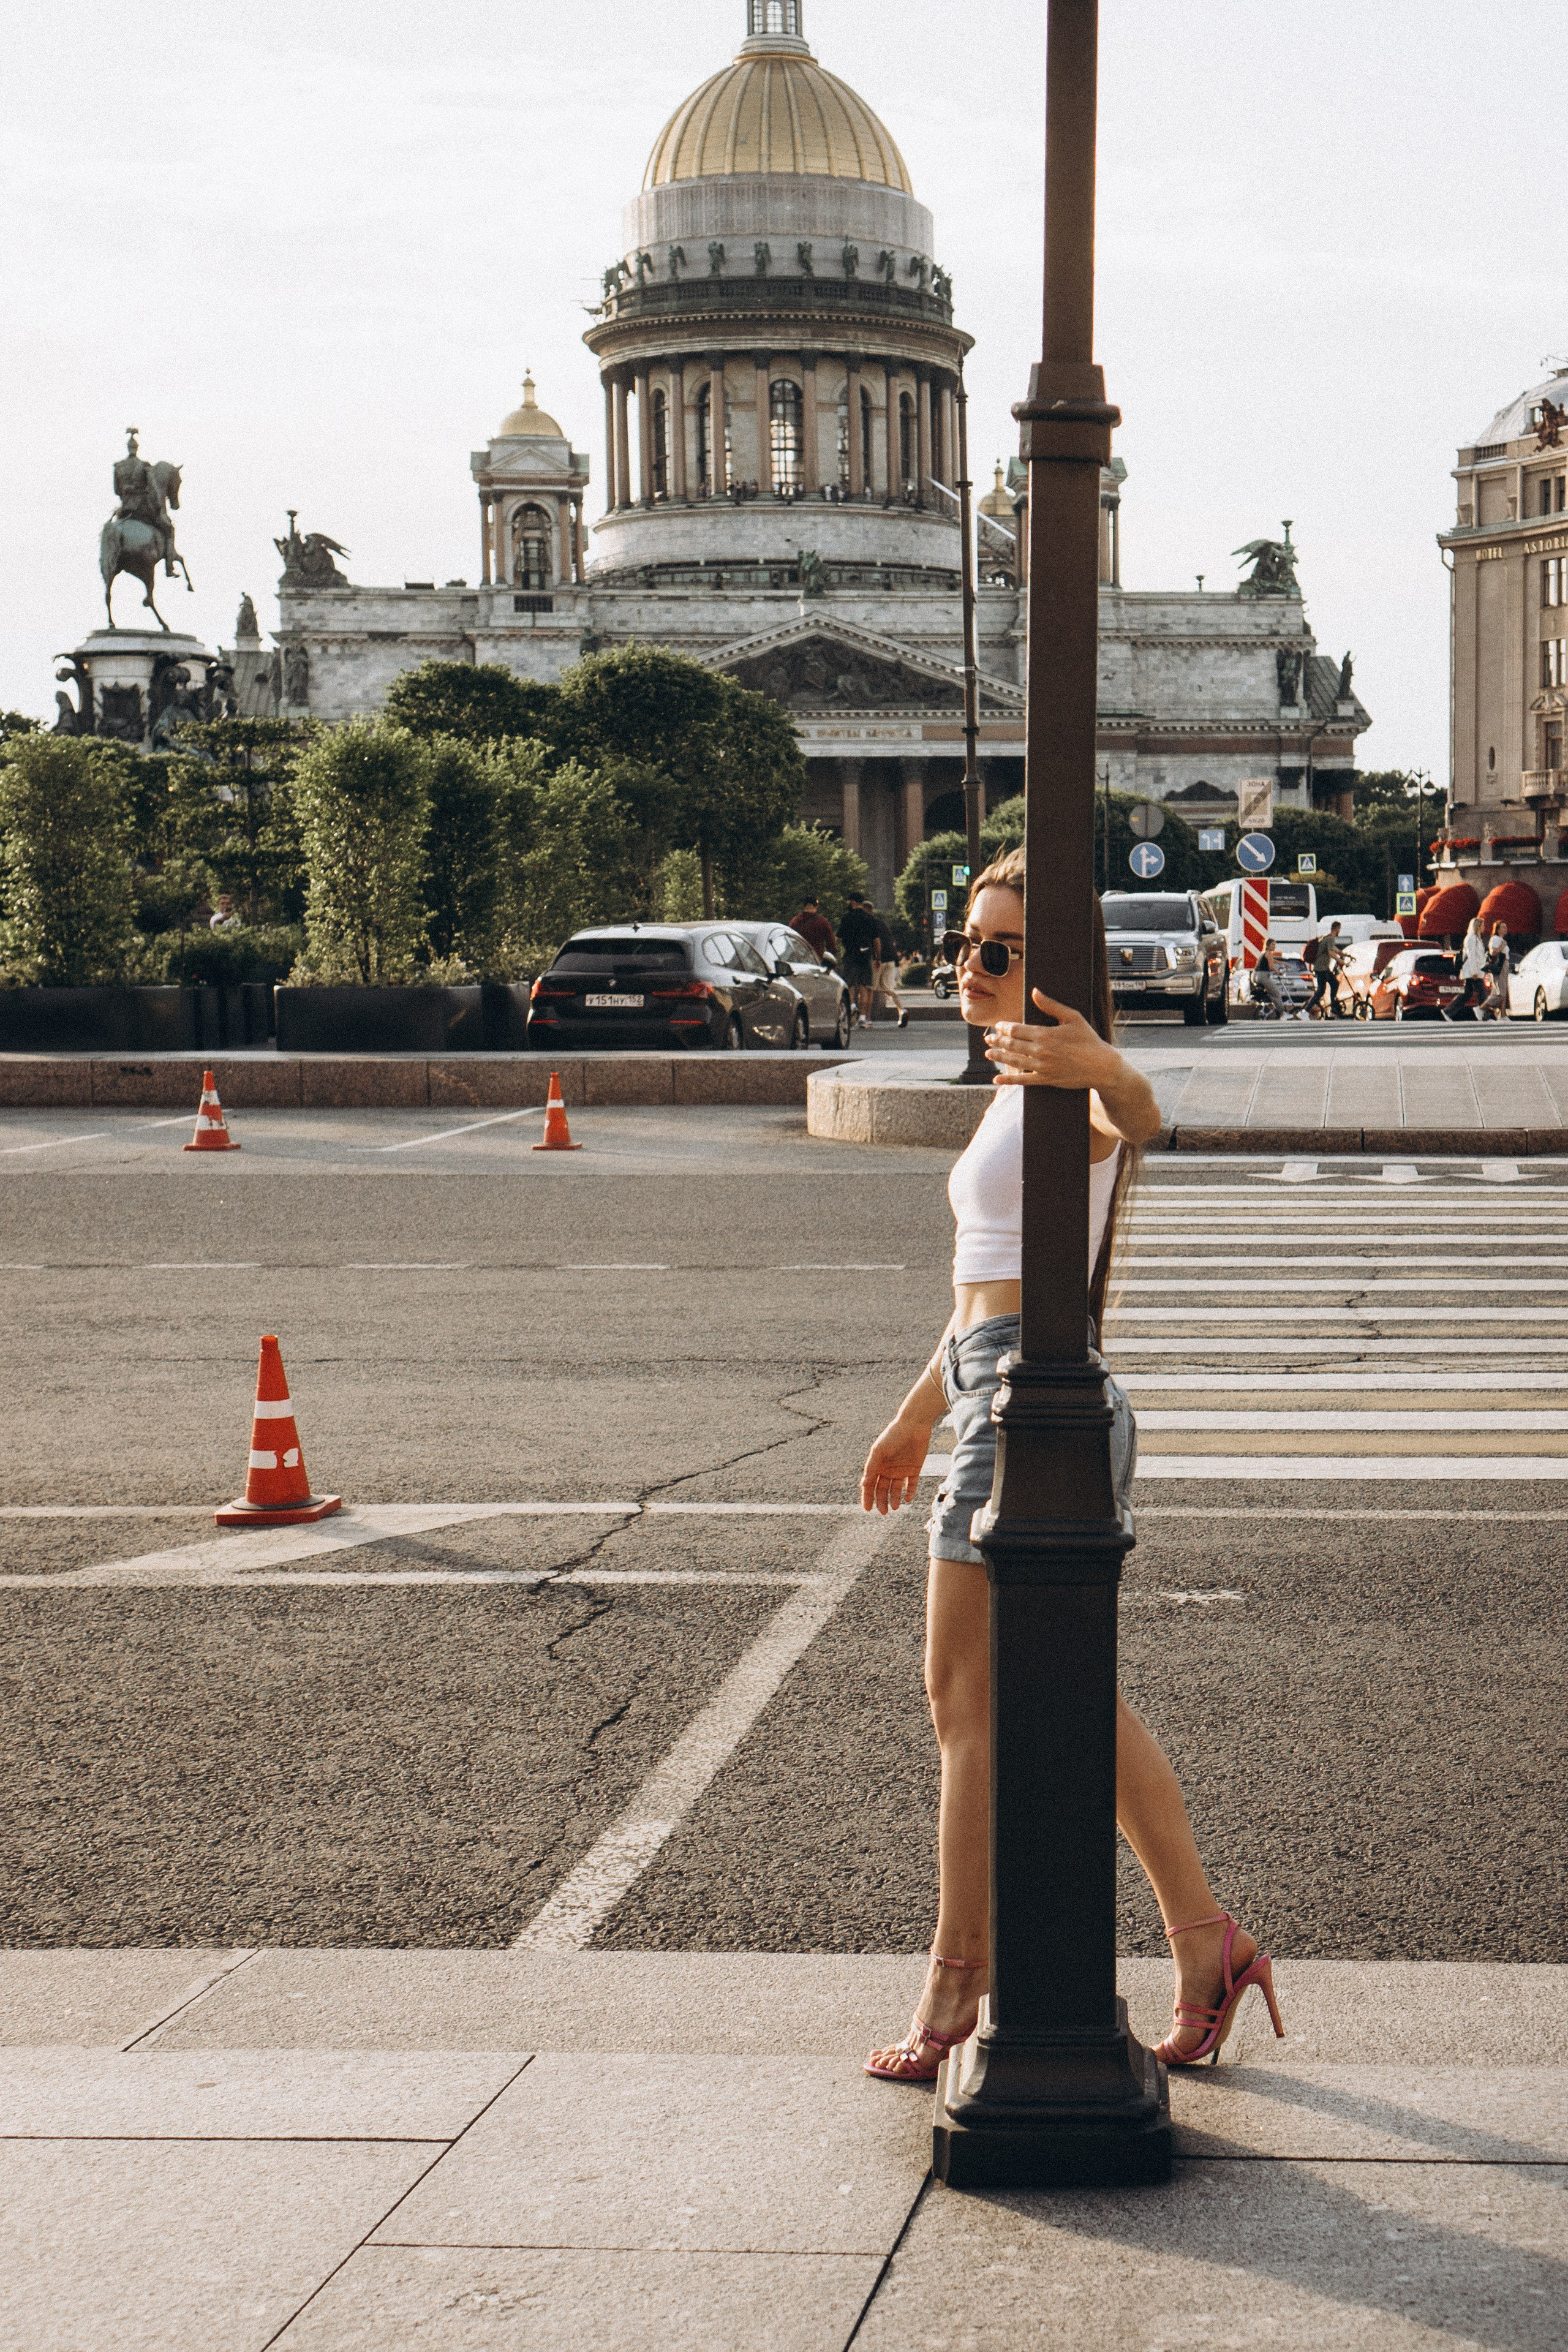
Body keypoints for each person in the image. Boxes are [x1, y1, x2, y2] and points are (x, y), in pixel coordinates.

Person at [861, 848, 1284, 2083]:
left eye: (999, 951)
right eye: (965, 945)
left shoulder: (1061, 1077)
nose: (971, 966)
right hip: (996, 1381)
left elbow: (1138, 1114)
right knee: (1057, 1702)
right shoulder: (1008, 1081)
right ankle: (1208, 1944)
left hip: (1028, 1404)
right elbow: (980, 1295)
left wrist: (1098, 1061)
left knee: (963, 1705)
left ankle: (955, 1978)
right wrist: (909, 1419)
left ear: (1050, 970)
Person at [838, 894, 880, 1028]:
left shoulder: (847, 918)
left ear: (854, 902)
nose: (848, 904)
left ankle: (852, 1006)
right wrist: (877, 957)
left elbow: (838, 938)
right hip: (865, 955)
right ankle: (863, 1018)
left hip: (850, 955)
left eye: (849, 901)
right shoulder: (870, 919)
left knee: (849, 985)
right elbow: (876, 941)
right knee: (864, 987)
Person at [869, 903, 908, 1028]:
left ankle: (865, 1018)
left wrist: (877, 958)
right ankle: (902, 1010)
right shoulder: (883, 924)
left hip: (878, 960)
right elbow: (891, 941)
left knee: (870, 988)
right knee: (887, 988)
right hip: (891, 959)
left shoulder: (869, 924)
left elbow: (876, 942)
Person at [1450, 917, 1488, 1020]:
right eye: (1483, 925)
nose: (1484, 927)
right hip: (1472, 971)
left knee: (1468, 993)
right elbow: (1472, 956)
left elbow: (1479, 956)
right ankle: (1483, 1014)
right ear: (1478, 926)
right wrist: (1475, 972)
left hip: (1476, 970)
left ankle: (1448, 1012)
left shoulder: (1477, 938)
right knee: (1482, 992)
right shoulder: (1472, 938)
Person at [1310, 921, 1346, 1018]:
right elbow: (1331, 952)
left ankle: (1333, 1008)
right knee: (1321, 991)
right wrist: (1340, 960)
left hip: (1324, 968)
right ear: (1337, 928)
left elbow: (1335, 949)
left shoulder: (1327, 937)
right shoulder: (1331, 938)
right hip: (1321, 968)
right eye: (1340, 929)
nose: (1340, 931)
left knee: (1335, 983)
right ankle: (1305, 1011)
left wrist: (1345, 955)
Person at [790, 894, 837, 962]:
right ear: (816, 907)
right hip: (817, 960)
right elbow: (831, 943)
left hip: (799, 960)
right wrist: (832, 959)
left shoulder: (795, 921)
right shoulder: (823, 922)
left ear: (804, 906)